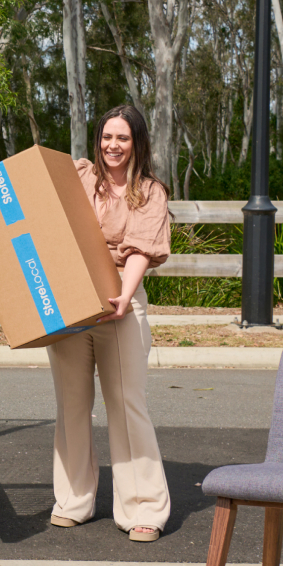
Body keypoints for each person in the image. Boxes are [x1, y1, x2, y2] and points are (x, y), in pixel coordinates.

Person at [47, 104, 172, 542]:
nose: (112, 146)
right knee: (72, 403)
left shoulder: (151, 192)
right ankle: (74, 500)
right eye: (106, 137)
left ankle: (144, 509)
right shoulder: (81, 177)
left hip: (120, 297)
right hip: (71, 300)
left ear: (137, 142)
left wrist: (124, 296)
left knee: (126, 404)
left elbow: (140, 249)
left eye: (122, 138)